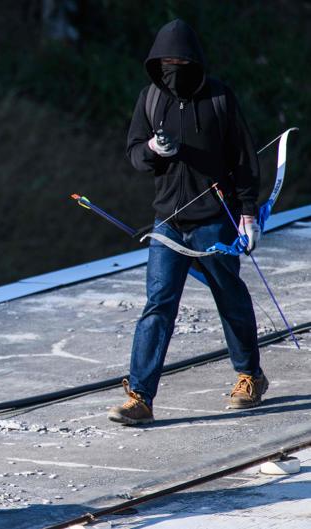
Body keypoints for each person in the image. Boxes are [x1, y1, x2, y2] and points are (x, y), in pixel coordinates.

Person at [109, 19, 267, 425]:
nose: (172, 67)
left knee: (229, 296)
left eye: (180, 60)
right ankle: (140, 397)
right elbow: (134, 155)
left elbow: (245, 160)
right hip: (168, 223)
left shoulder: (220, 98)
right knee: (158, 306)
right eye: (165, 61)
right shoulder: (150, 97)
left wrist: (248, 214)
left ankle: (249, 376)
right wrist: (152, 148)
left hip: (215, 221)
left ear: (195, 61)